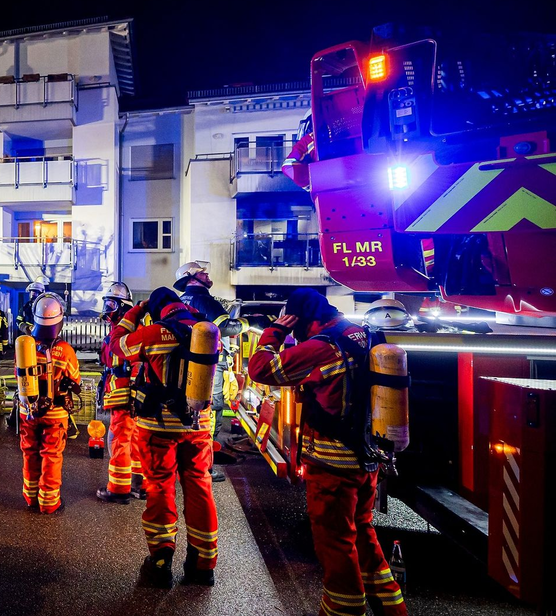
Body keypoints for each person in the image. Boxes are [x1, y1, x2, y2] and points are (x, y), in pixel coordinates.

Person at [247, 289, 407, 616]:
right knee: (361, 531)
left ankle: (343, 609)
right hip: (367, 460)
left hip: (332, 467)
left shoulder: (323, 346)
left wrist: (275, 331)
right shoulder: (367, 335)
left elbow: (261, 369)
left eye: (298, 328)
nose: (299, 336)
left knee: (336, 544)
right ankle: (392, 607)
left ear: (307, 320)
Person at [112, 288, 220, 589]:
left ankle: (160, 563)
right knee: (200, 488)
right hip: (198, 427)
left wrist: (134, 313)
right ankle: (203, 566)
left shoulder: (151, 333)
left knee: (160, 488)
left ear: (157, 310)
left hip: (158, 427)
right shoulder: (207, 332)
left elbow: (116, 347)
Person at [174, 261, 245, 482]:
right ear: (192, 278)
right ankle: (205, 467)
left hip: (189, 362)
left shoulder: (182, 299)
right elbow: (225, 326)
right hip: (209, 365)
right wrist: (245, 322)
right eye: (203, 273)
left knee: (191, 413)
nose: (208, 276)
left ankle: (188, 462)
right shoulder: (203, 298)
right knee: (211, 413)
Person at [17, 293, 79, 514]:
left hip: (28, 411)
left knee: (30, 453)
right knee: (51, 456)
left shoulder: (24, 347)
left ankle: (30, 497)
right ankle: (49, 502)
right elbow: (75, 380)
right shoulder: (66, 350)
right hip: (55, 414)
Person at [95, 281, 146, 504]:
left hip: (125, 394)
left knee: (120, 439)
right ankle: (139, 485)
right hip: (122, 392)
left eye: (112, 303)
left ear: (124, 307)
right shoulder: (119, 329)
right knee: (134, 439)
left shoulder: (132, 330)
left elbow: (138, 364)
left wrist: (135, 395)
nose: (108, 308)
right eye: (107, 302)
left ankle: (118, 489)